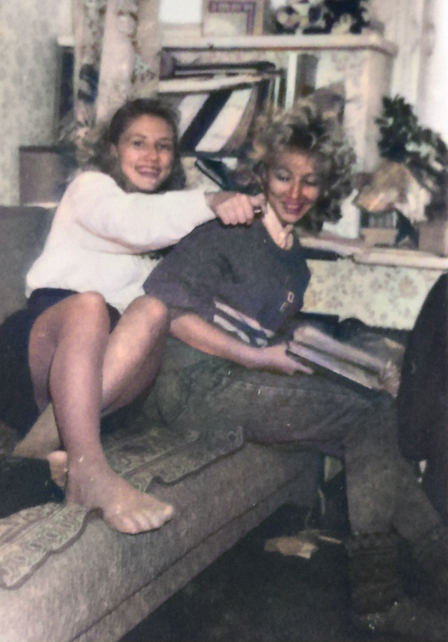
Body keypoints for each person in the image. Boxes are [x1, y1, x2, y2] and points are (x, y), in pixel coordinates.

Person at [144, 101, 447, 637]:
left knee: (373, 420)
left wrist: (361, 371)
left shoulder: (294, 262)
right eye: (284, 176)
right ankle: (379, 600)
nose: (295, 192)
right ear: (262, 173)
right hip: (189, 384)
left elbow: (276, 341)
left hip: (236, 382)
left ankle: (438, 567)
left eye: (311, 181)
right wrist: (258, 358)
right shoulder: (226, 229)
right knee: (371, 417)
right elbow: (168, 314)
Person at [0, 97, 263, 535]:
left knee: (155, 309)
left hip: (97, 397)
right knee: (90, 306)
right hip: (31, 360)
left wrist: (256, 353)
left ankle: (40, 444)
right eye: (137, 143)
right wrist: (211, 200)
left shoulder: (173, 227)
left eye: (164, 146)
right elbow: (130, 222)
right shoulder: (90, 189)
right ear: (113, 149)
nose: (152, 156)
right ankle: (88, 469)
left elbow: (184, 311)